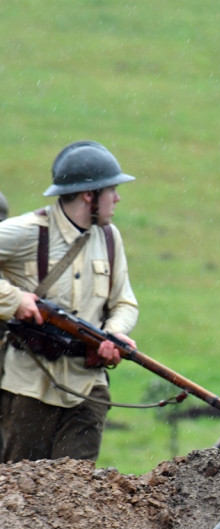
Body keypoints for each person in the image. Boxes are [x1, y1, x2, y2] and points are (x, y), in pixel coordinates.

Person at [0, 141, 139, 463]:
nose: (117, 198)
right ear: (89, 195)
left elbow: (125, 303)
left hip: (88, 387)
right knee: (23, 495)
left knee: (79, 495)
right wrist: (14, 299)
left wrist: (113, 333)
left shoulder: (109, 237)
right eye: (111, 190)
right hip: (30, 387)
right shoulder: (27, 232)